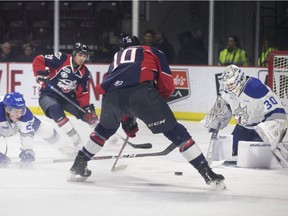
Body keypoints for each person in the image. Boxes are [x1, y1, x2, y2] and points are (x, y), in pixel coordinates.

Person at [69, 34, 226, 189]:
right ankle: (207, 172)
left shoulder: (117, 56)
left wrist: (126, 120)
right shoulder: (152, 51)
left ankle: (79, 164)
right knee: (175, 131)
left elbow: (119, 87)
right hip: (141, 93)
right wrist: (154, 104)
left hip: (111, 97)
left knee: (104, 129)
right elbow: (167, 85)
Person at [202, 64, 287, 165]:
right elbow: (225, 106)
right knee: (230, 152)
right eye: (227, 84)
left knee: (254, 159)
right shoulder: (226, 91)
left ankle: (277, 143)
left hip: (260, 128)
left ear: (239, 80)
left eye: (231, 84)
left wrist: (276, 127)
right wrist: (215, 119)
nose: (229, 87)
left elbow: (277, 108)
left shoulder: (255, 88)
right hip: (243, 127)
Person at [32, 42, 98, 154]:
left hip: (67, 98)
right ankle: (75, 138)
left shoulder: (84, 72)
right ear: (74, 54)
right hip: (48, 95)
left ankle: (102, 133)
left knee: (87, 115)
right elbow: (39, 59)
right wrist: (41, 73)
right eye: (80, 55)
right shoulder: (61, 58)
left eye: (84, 56)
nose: (82, 58)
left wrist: (86, 107)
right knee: (56, 110)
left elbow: (82, 92)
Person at [0, 92, 59, 167]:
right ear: (7, 109)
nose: (19, 114)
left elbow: (26, 135)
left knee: (46, 129)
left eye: (21, 110)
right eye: (16, 111)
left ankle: (66, 147)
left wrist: (27, 152)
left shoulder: (25, 115)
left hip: (12, 125)